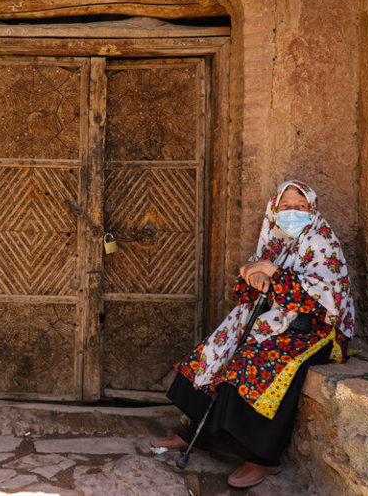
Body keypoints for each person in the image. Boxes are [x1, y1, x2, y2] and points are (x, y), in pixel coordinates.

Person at [151, 180, 355, 488]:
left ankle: (263, 457)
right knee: (218, 349)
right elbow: (248, 292)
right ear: (274, 209)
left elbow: (321, 300)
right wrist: (251, 274)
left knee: (258, 364)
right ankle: (200, 434)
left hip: (314, 328)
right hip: (276, 319)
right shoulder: (275, 240)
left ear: (312, 209)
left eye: (301, 207)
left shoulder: (322, 240)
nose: (293, 213)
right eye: (286, 207)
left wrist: (274, 274)